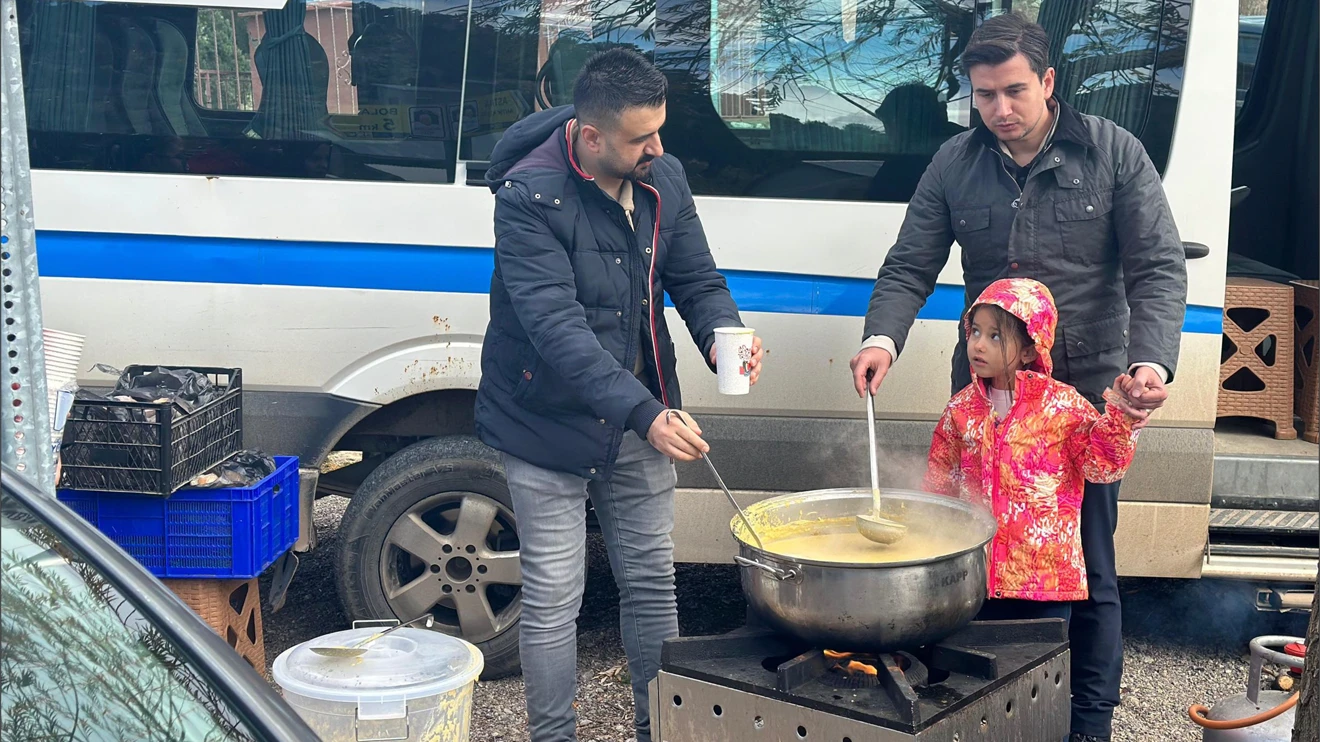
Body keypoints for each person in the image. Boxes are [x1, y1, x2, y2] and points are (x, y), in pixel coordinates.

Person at [849, 13, 1186, 742]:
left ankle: (1086, 723)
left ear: (1048, 81)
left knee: (1087, 567)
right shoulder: (954, 162)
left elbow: (1157, 268)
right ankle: (978, 711)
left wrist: (1149, 364)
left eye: (1014, 91)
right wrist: (881, 339)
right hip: (986, 401)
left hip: (1086, 398)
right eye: (983, 95)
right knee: (970, 558)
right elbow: (909, 264)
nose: (999, 109)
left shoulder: (1113, 152)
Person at [474, 48, 764, 742]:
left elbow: (696, 279)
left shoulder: (663, 177)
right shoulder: (528, 197)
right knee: (554, 598)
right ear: (591, 136)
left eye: (660, 131)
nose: (657, 150)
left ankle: (657, 728)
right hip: (543, 420)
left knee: (651, 583)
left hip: (641, 413)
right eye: (641, 139)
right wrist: (646, 412)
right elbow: (556, 329)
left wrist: (724, 335)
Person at [924, 278, 1146, 627]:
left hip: (1045, 585)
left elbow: (1102, 465)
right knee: (975, 660)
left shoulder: (1063, 406)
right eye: (975, 331)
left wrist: (1123, 417)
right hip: (975, 580)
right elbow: (939, 485)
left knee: (1039, 659)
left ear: (1031, 350)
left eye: (995, 336)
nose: (979, 344)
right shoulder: (960, 409)